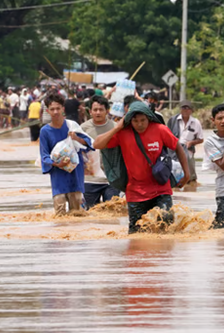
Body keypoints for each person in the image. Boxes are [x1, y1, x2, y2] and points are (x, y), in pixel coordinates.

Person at [94, 101, 190, 233]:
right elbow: (97, 144)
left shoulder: (160, 129)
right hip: (135, 193)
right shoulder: (123, 133)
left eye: (143, 120)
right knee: (136, 234)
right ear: (129, 121)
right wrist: (117, 127)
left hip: (161, 189)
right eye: (135, 121)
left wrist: (187, 174)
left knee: (165, 222)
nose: (139, 124)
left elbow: (178, 147)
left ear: (149, 118)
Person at [40, 93, 92, 215]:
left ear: (63, 109)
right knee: (60, 212)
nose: (56, 112)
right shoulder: (45, 131)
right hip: (58, 177)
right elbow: (44, 155)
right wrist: (57, 164)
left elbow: (89, 143)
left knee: (78, 213)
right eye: (52, 109)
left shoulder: (72, 126)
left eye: (58, 108)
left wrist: (76, 138)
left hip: (76, 175)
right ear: (48, 111)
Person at [80, 95, 121, 208]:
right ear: (90, 111)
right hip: (90, 180)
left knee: (112, 213)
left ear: (107, 111)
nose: (98, 112)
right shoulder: (83, 129)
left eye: (101, 109)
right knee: (91, 216)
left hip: (112, 180)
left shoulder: (116, 128)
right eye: (95, 110)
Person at [168, 101, 204, 189]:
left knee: (190, 173)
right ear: (180, 109)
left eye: (188, 108)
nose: (185, 110)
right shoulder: (173, 120)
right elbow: (167, 134)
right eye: (183, 108)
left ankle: (190, 185)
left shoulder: (196, 123)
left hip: (188, 150)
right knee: (174, 170)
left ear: (191, 110)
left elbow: (201, 139)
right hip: (174, 149)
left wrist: (191, 143)